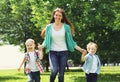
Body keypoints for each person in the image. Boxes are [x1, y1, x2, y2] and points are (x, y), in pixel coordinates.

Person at [41, 8, 87, 82]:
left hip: (63, 52)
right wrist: (41, 47)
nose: (58, 17)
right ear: (53, 16)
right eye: (56, 15)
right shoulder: (49, 27)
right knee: (54, 70)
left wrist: (80, 49)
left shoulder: (66, 27)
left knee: (61, 74)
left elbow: (71, 42)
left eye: (60, 15)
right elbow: (46, 41)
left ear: (62, 17)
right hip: (53, 52)